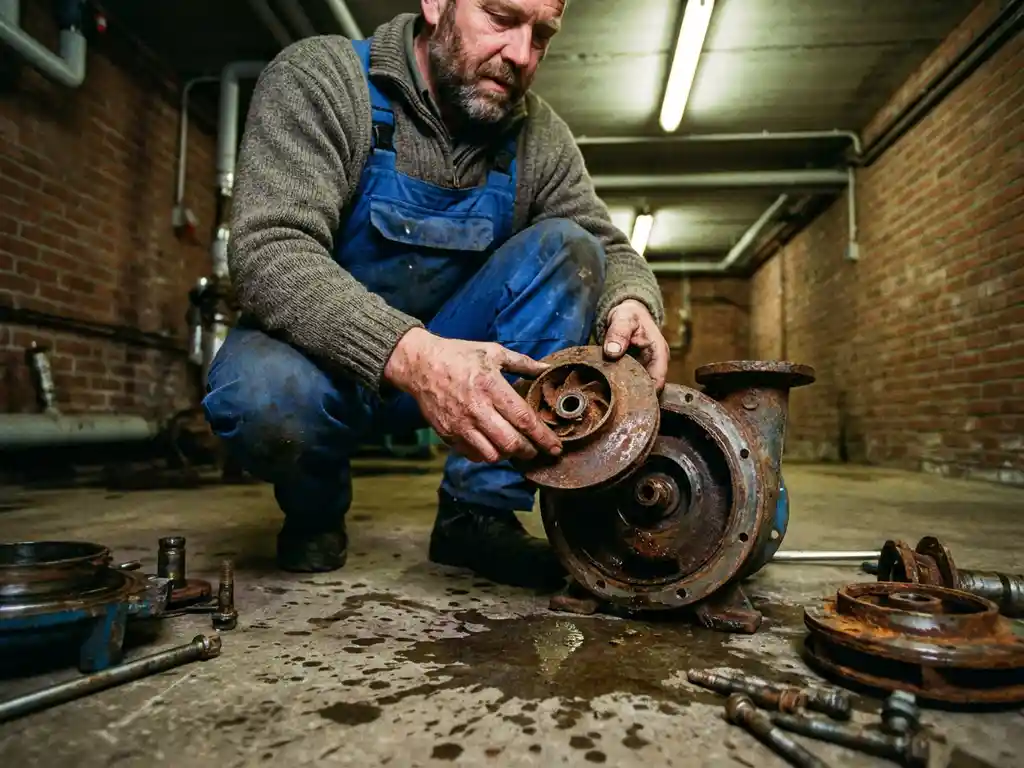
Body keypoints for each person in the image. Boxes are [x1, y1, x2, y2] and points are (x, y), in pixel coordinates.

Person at [201, 0, 670, 588]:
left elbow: (607, 244)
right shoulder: (323, 79)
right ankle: (314, 507)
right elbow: (268, 249)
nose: (522, 55)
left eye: (542, 35)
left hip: (458, 352)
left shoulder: (539, 136)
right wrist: (415, 356)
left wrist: (630, 300)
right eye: (500, 19)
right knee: (258, 397)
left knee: (571, 249)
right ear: (434, 4)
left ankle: (477, 515)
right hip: (322, 363)